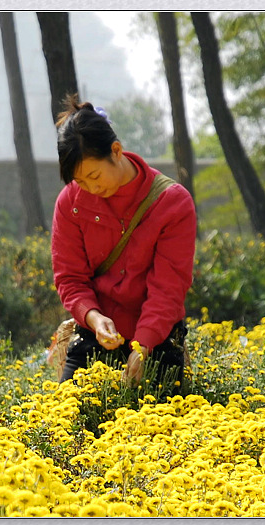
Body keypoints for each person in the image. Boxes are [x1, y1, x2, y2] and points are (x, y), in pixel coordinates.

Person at [51, 95, 196, 395]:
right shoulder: (70, 202)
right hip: (96, 332)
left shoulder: (172, 203)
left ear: (116, 151)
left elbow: (168, 289)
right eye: (81, 181)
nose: (91, 189)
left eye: (94, 176)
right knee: (63, 420)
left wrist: (143, 345)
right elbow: (70, 279)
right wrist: (94, 317)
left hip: (156, 336)